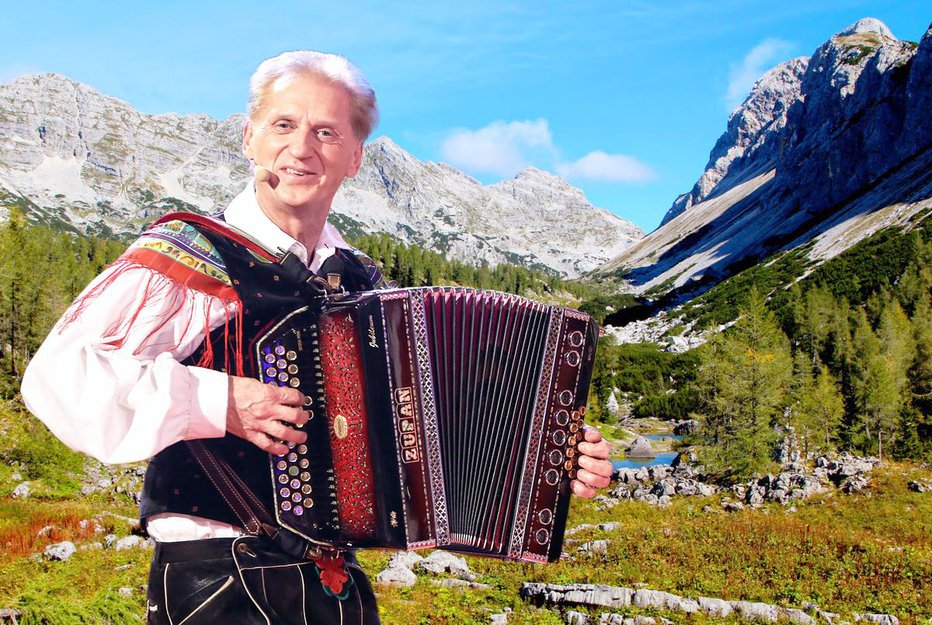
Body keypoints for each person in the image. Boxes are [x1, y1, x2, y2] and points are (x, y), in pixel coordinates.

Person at [21, 50, 613, 625]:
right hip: (215, 580)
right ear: (250, 137)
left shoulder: (361, 283)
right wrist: (217, 401)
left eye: (327, 133)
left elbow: (429, 437)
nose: (301, 148)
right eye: (283, 124)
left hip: (334, 585)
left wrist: (551, 460)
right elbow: (57, 377)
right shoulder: (190, 254)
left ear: (355, 157)